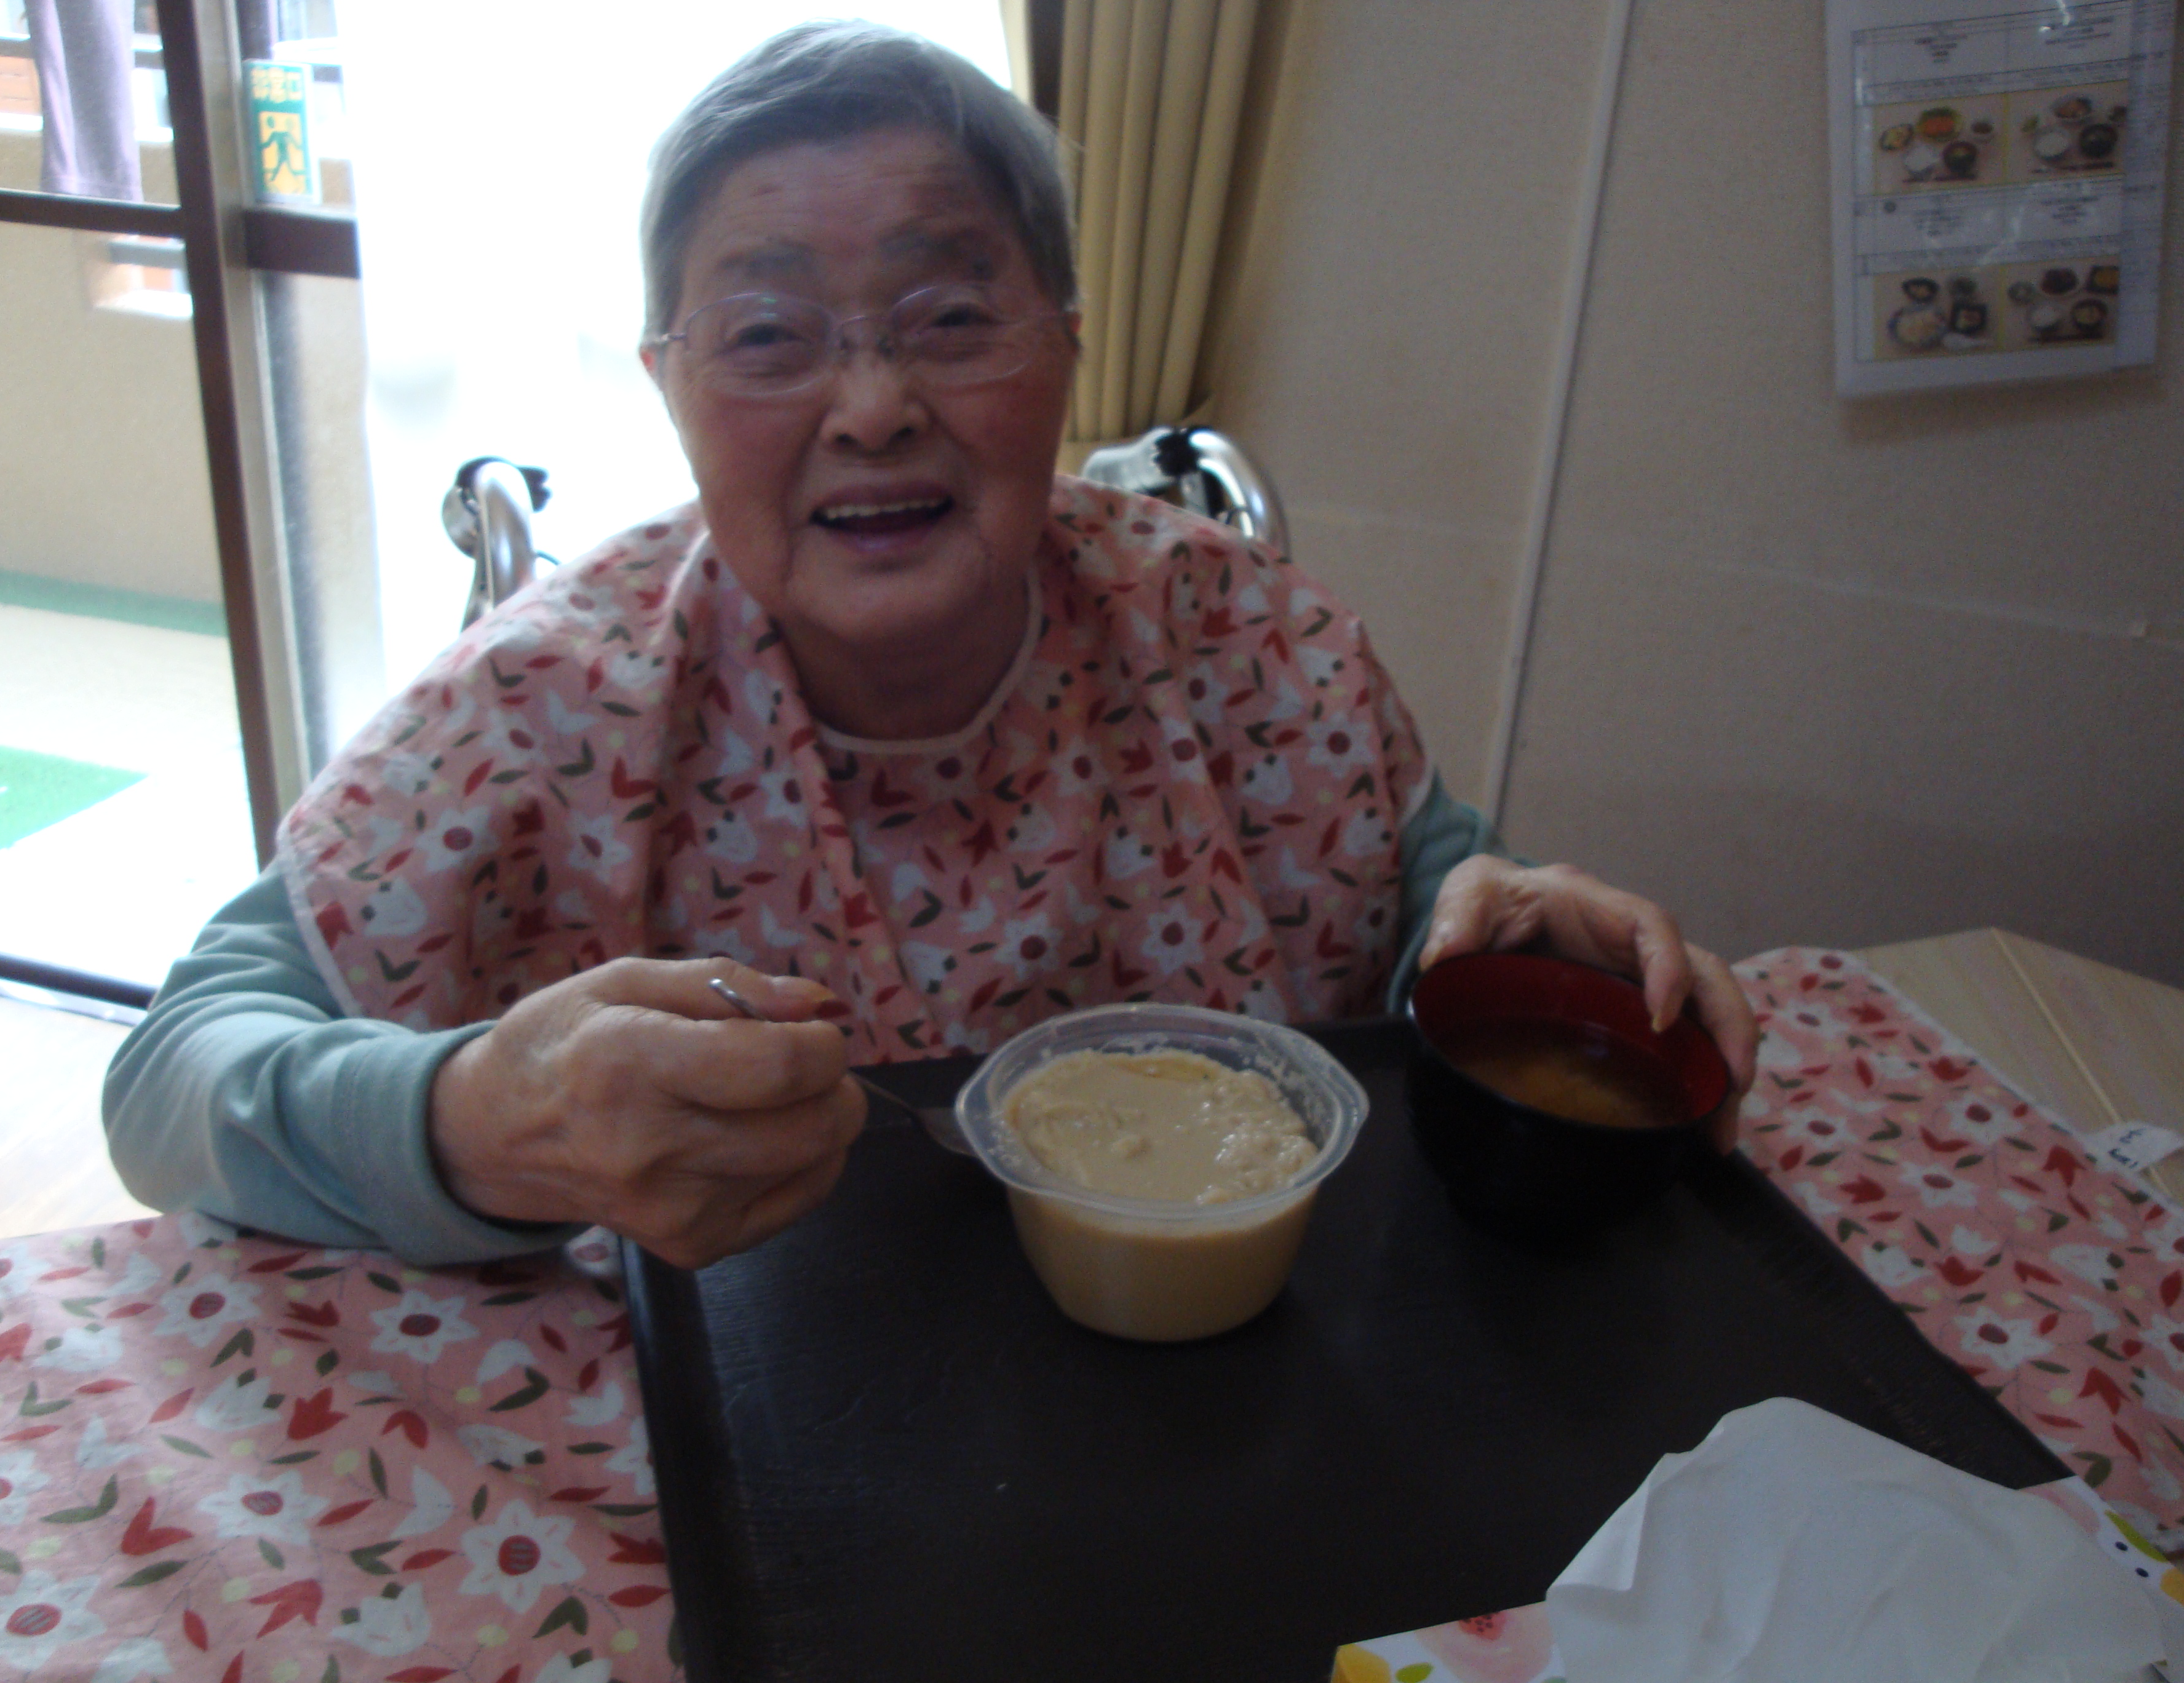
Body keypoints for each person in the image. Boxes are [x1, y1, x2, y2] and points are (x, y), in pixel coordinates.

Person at [105, 23, 1756, 1273]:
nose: (874, 406)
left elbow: (1428, 901)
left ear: (1065, 349)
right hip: (746, 1437)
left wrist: (1527, 954)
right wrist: (478, 1123)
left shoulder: (1245, 638)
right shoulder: (548, 703)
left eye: (951, 320)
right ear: (671, 386)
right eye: (769, 337)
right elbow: (171, 1078)